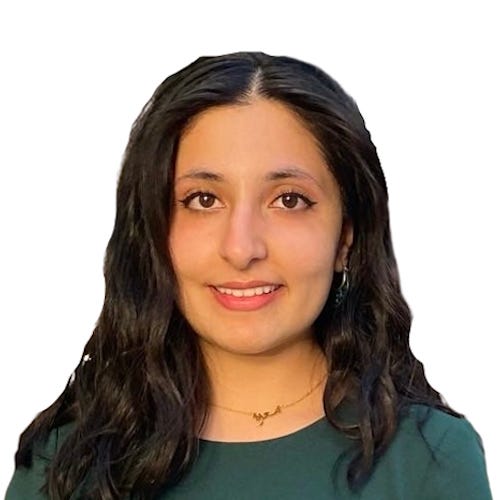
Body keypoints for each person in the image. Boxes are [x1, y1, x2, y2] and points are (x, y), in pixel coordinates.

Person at [6, 51, 492, 499]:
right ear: (152, 232)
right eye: (203, 200)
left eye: (288, 200)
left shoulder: (430, 462)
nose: (241, 248)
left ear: (345, 239)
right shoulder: (65, 461)